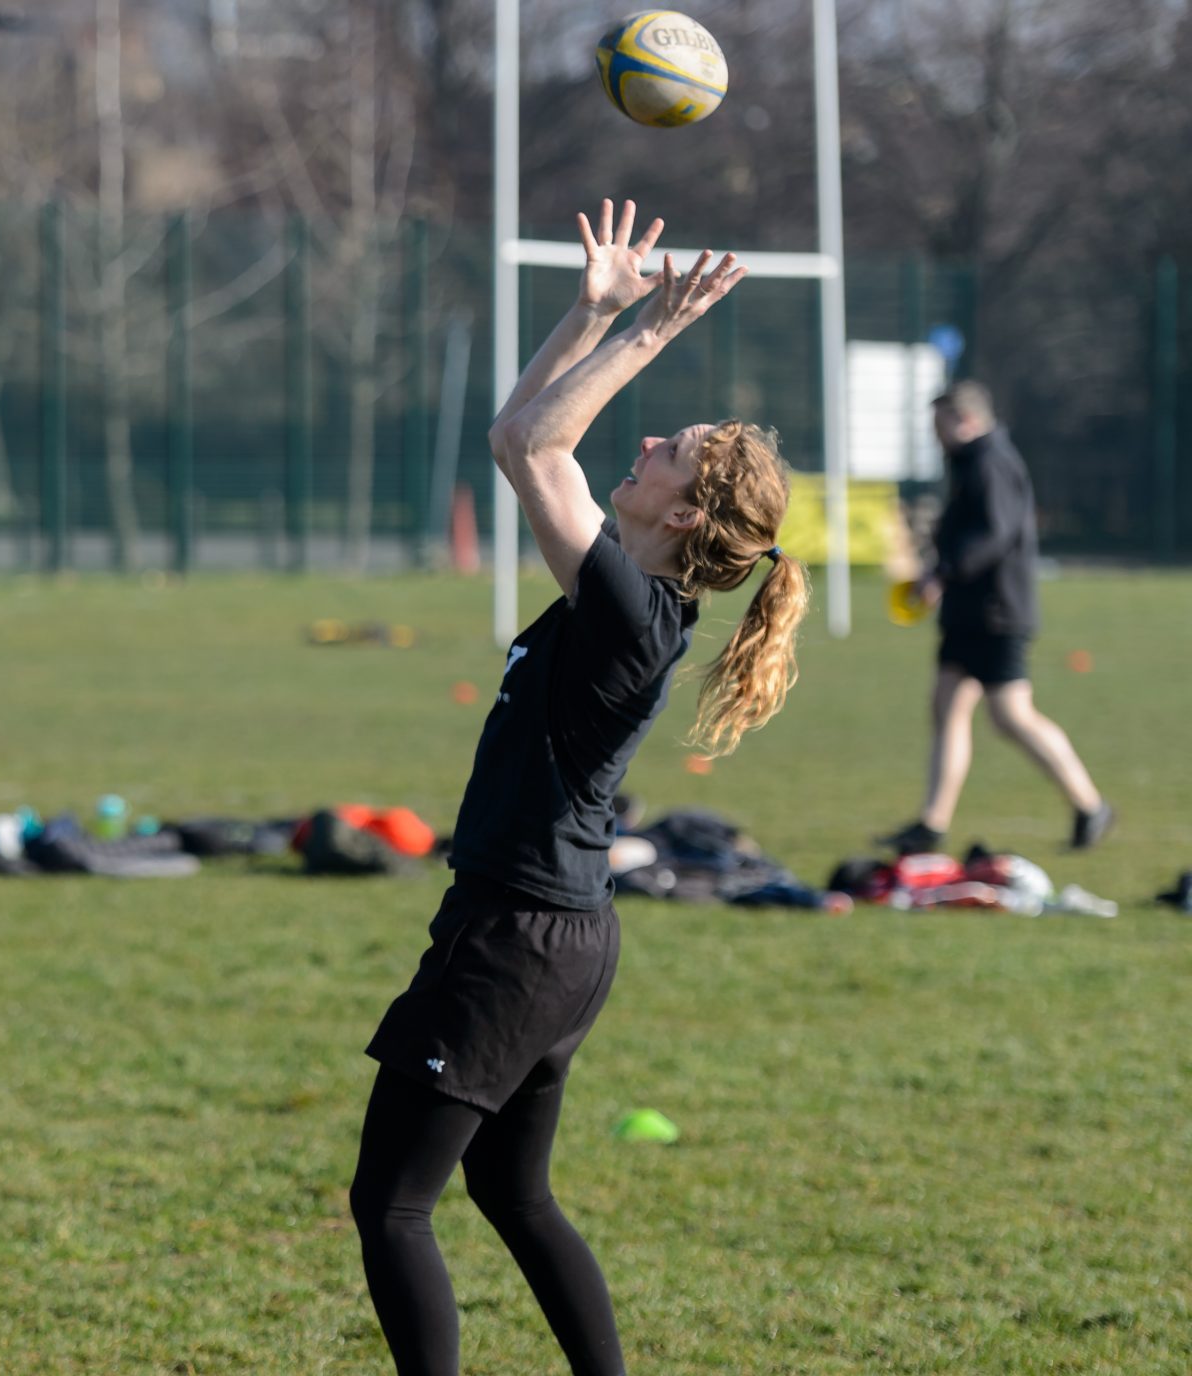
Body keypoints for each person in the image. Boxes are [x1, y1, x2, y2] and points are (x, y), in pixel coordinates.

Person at [349, 201, 807, 1376]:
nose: (646, 444)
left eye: (672, 451)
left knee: (392, 1203)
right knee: (512, 1192)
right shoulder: (627, 593)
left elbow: (540, 448)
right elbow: (519, 436)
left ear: (685, 512)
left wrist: (649, 327)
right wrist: (591, 309)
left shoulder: (625, 614)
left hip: (517, 935)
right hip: (558, 933)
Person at [873, 380, 1112, 855]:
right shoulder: (971, 464)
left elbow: (994, 535)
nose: (935, 435)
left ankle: (1090, 806)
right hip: (969, 611)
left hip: (998, 612)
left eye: (940, 425)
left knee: (1011, 716)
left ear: (967, 421)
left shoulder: (992, 464)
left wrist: (942, 571)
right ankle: (931, 825)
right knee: (947, 705)